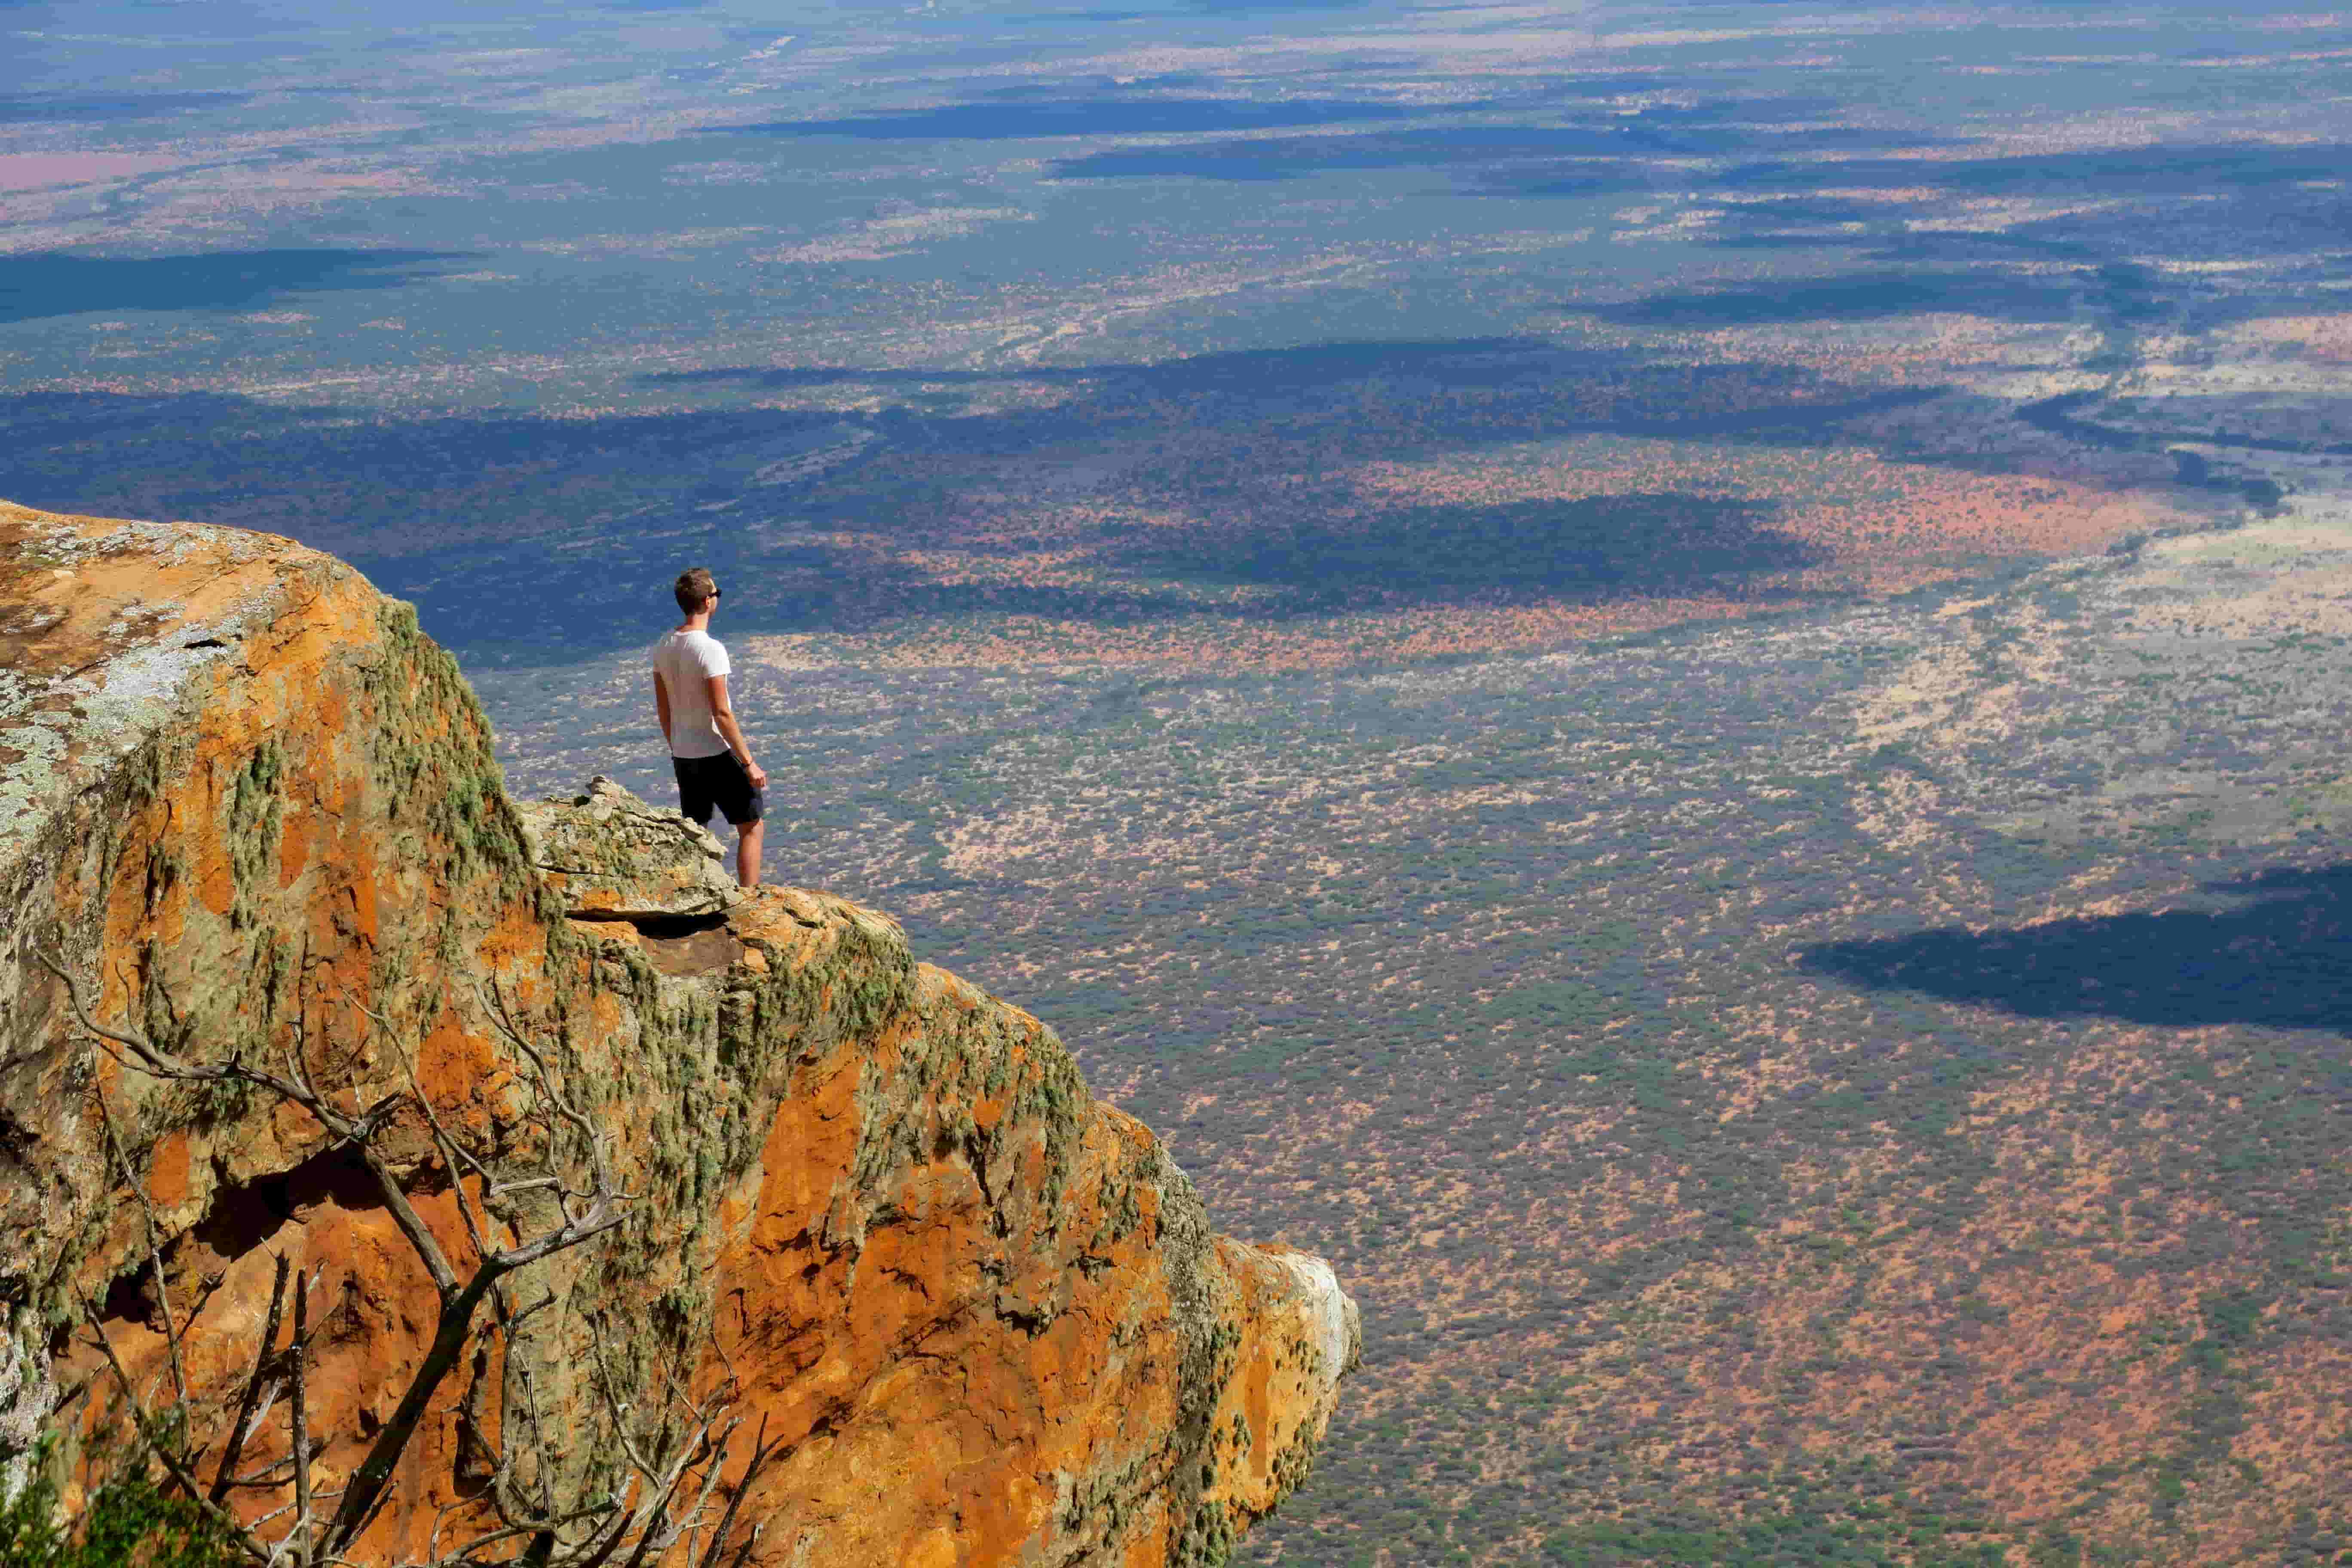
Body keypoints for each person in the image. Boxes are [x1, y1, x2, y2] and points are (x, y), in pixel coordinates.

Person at [652, 567, 767, 886]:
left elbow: (664, 707)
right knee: (752, 825)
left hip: (684, 753)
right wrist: (748, 762)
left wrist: (676, 745)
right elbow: (722, 712)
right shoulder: (710, 649)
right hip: (715, 751)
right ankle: (749, 899)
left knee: (695, 829)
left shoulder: (663, 645)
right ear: (706, 602)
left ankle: (688, 893)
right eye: (717, 594)